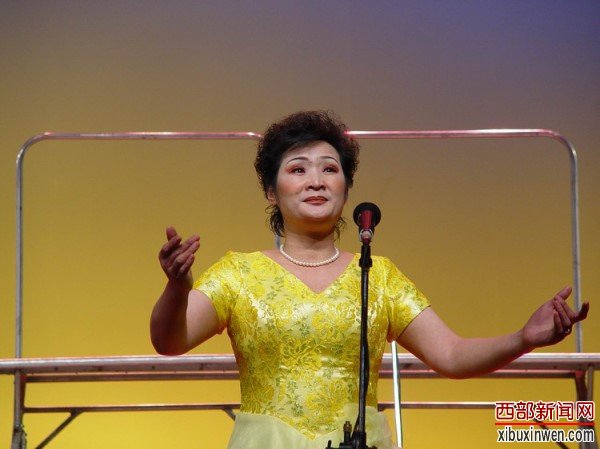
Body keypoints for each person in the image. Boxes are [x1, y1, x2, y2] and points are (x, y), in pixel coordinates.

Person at [150, 111, 589, 449]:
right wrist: (177, 288)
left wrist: (523, 338)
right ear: (271, 191)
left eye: (329, 169)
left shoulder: (379, 275)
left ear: (346, 187)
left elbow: (452, 356)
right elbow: (169, 341)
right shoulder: (239, 272)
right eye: (298, 170)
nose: (316, 181)